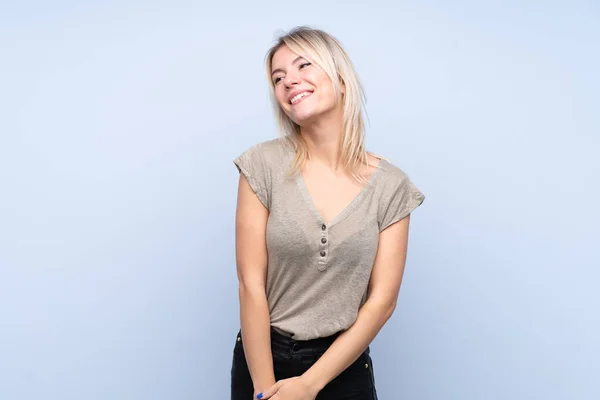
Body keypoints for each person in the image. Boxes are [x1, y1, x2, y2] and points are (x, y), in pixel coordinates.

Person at [230, 26, 425, 400]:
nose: (290, 82)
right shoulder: (262, 164)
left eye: (304, 65)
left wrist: (309, 385)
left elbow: (382, 301)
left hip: (342, 367)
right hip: (262, 360)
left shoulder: (392, 187)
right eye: (278, 77)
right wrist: (264, 391)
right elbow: (250, 284)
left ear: (340, 78)